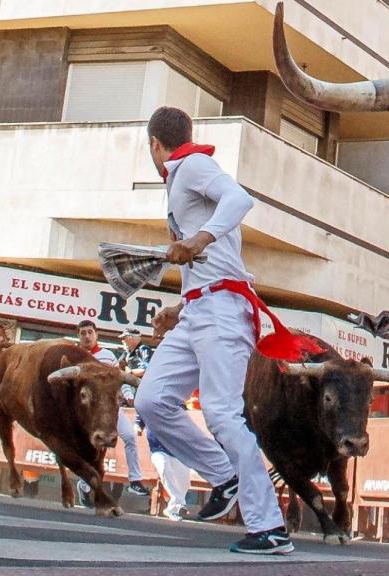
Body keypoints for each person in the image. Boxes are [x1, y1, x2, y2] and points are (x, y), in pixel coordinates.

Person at [133, 107, 296, 555]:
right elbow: (211, 263)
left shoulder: (192, 165)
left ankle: (270, 528)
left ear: (154, 144)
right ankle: (224, 475)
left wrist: (197, 240)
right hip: (198, 309)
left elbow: (239, 200)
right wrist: (178, 306)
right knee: (151, 400)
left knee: (222, 414)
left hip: (222, 311)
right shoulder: (180, 177)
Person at [75, 320, 150, 499]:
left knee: (129, 436)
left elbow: (119, 378)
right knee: (92, 447)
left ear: (96, 335)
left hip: (110, 408)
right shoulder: (74, 355)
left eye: (90, 332)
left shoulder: (107, 355)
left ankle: (135, 481)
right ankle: (85, 485)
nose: (87, 336)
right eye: (83, 333)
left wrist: (128, 395)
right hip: (86, 412)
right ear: (78, 336)